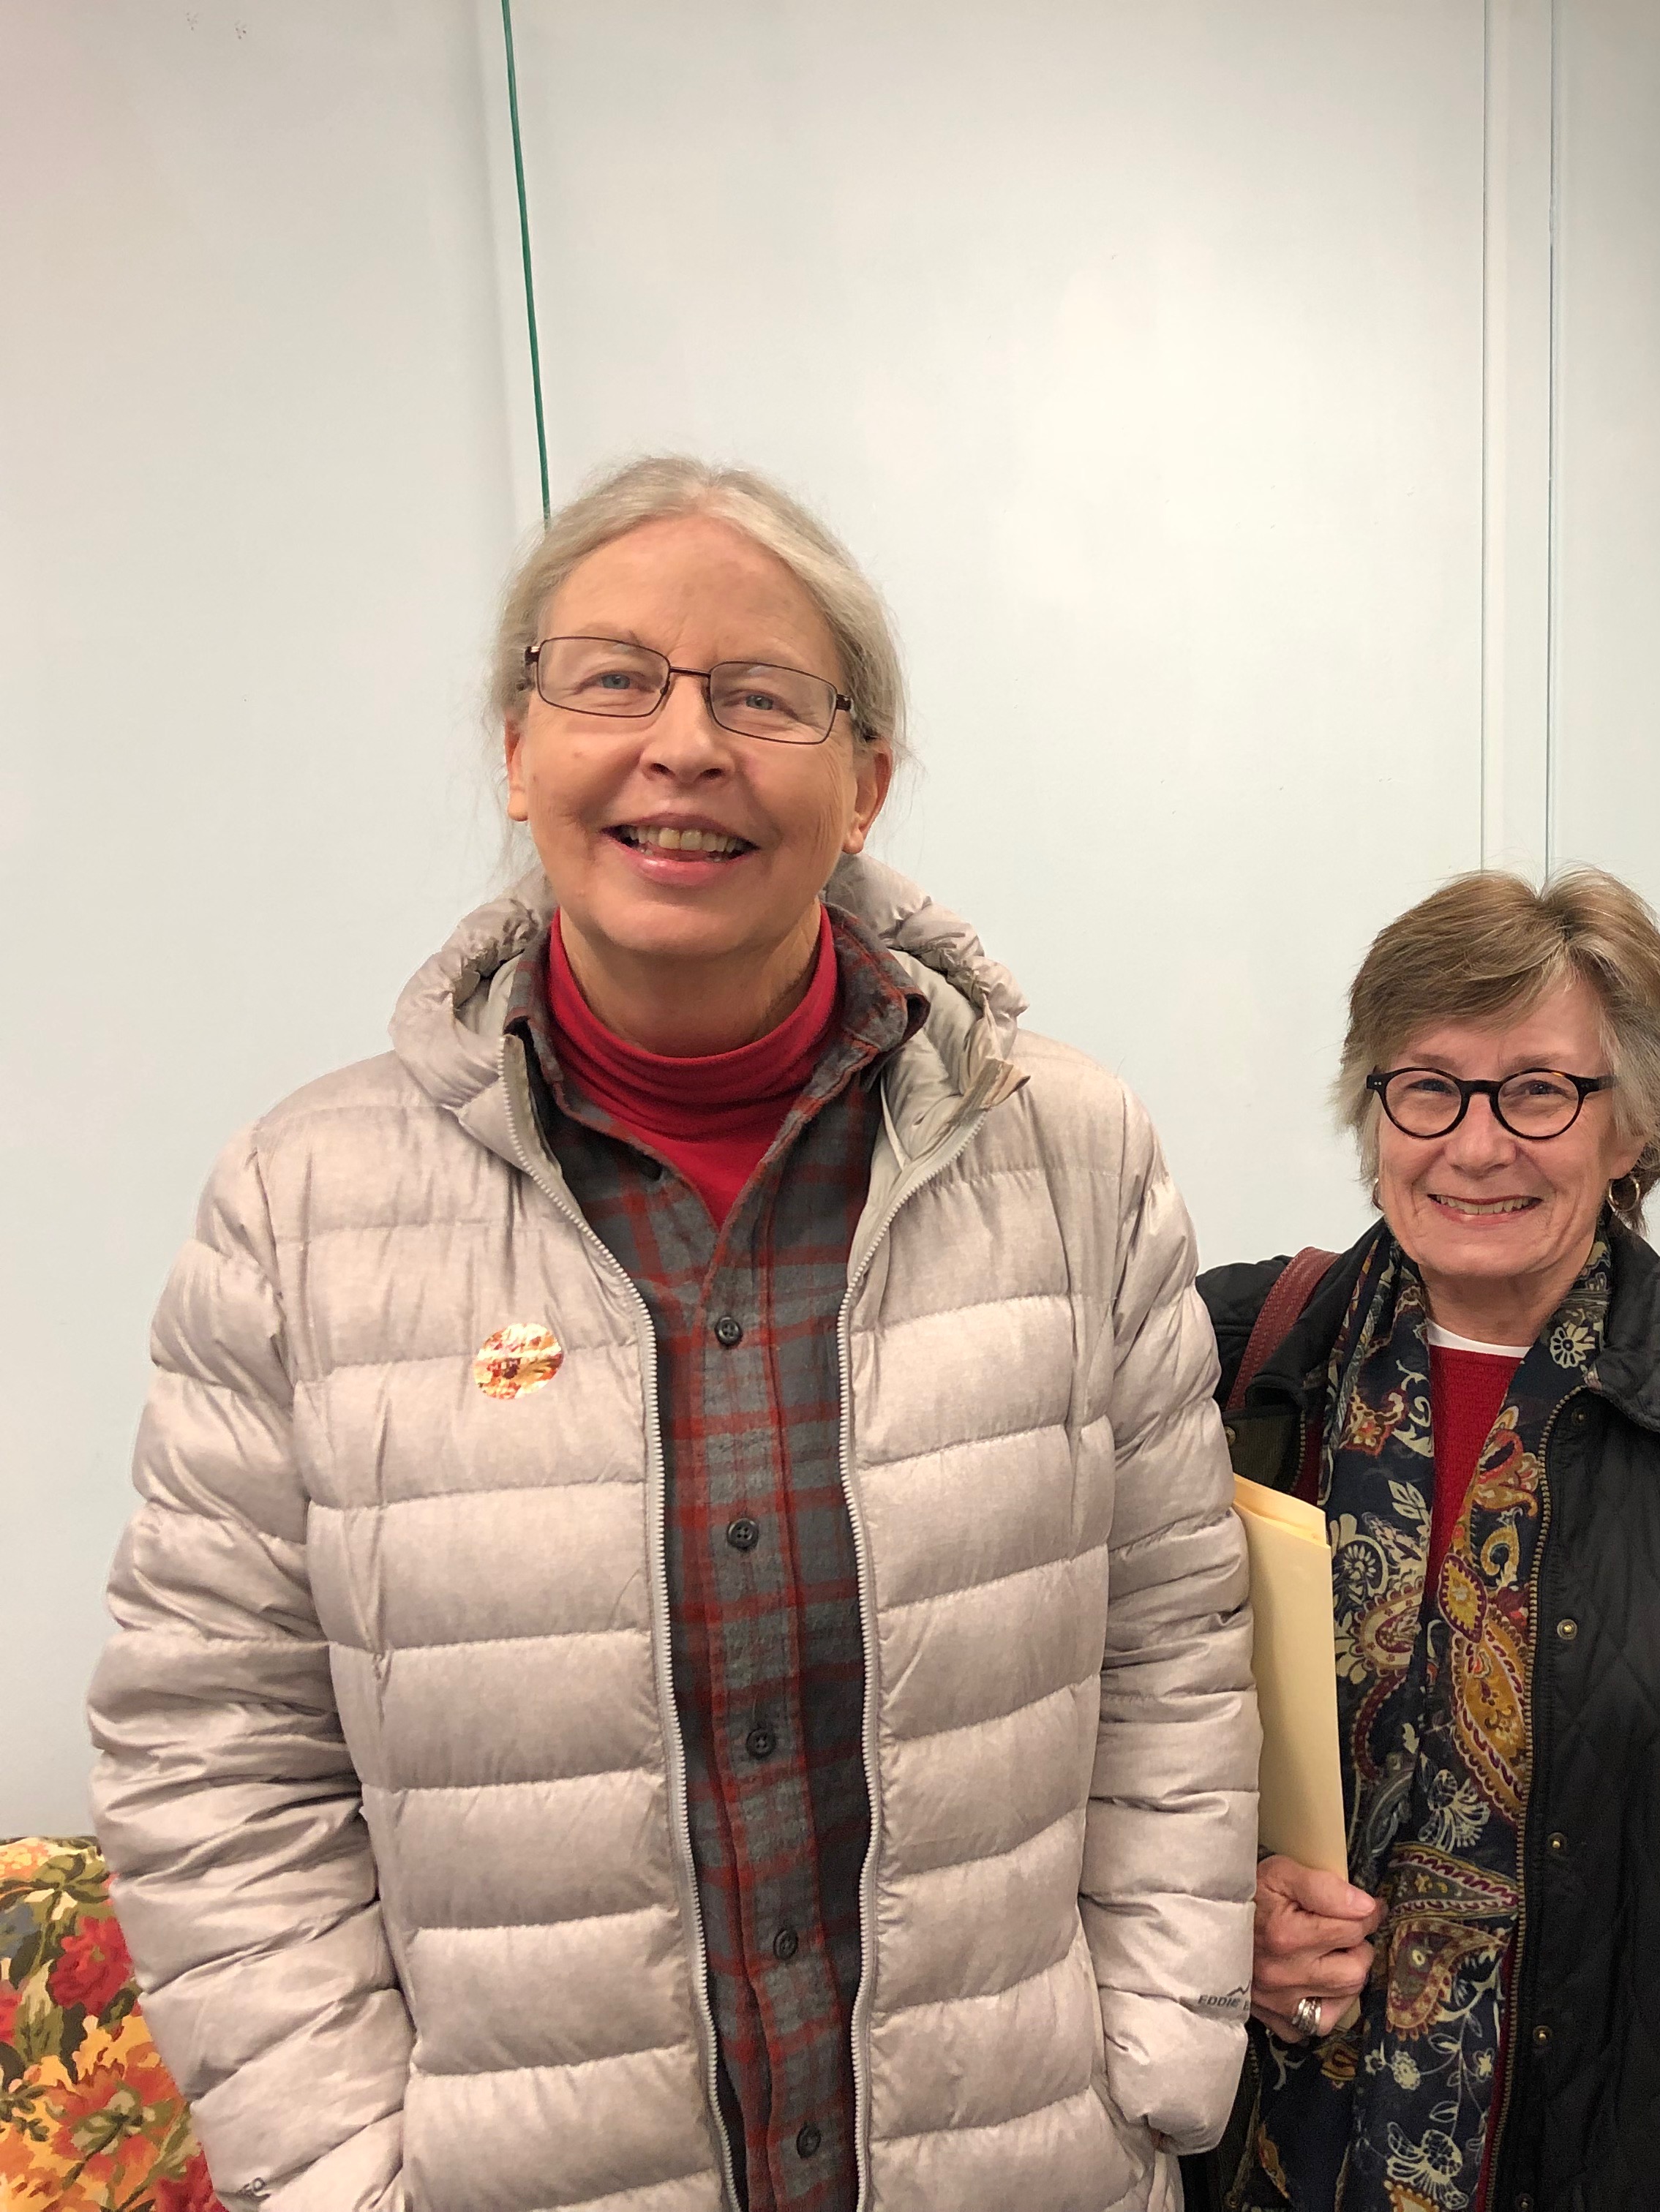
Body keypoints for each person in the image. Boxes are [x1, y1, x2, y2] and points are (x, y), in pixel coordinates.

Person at [89, 458, 1255, 2212]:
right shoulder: (299, 1208)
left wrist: (1158, 2063)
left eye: (763, 695)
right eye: (612, 676)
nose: (684, 744)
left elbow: (1170, 1639)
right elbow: (217, 1747)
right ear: (515, 746)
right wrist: (339, 2173)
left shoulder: (1075, 1158)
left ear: (864, 784)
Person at [1194, 870, 1660, 2212]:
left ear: (1633, 1124)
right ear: (1373, 1113)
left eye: (1540, 1090)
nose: (1477, 1147)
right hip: (1262, 2144)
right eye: (1427, 1086)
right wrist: (1203, 1921)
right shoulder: (1235, 1363)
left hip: (1609, 2156)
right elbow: (1103, 1733)